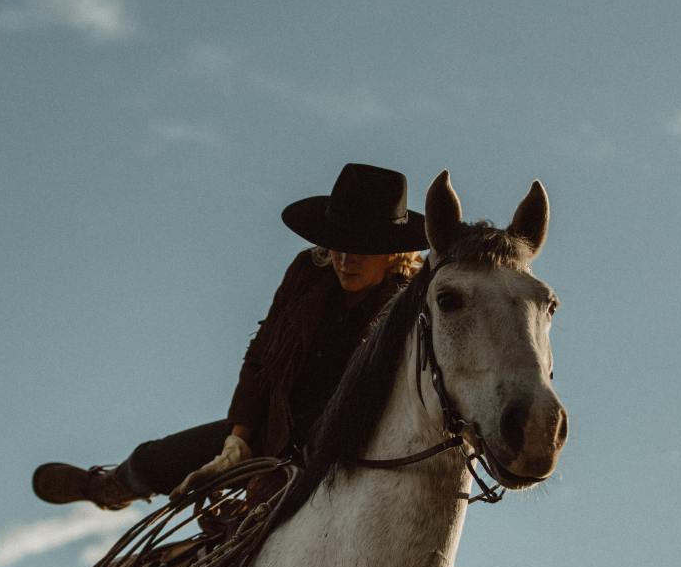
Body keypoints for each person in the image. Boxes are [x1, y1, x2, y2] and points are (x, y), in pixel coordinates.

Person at [32, 163, 428, 510]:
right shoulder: (308, 273)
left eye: (360, 249)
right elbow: (263, 354)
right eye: (338, 245)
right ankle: (109, 487)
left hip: (346, 449)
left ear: (392, 252)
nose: (345, 260)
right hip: (272, 426)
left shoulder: (408, 307)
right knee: (155, 460)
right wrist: (237, 441)